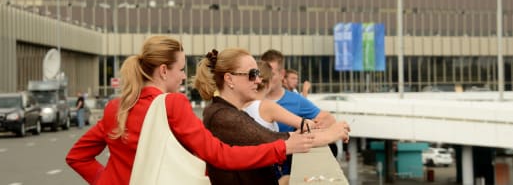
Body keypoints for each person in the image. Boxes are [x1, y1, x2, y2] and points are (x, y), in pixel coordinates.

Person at [66, 36, 313, 185]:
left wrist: (105, 181)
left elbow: (77, 157)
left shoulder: (116, 107)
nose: (184, 77)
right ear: (164, 71)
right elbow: (221, 156)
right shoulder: (171, 105)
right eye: (181, 69)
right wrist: (283, 147)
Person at [193, 48, 318, 185]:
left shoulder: (226, 112)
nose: (258, 80)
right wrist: (334, 133)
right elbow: (277, 140)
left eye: (258, 74)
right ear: (229, 79)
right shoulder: (223, 116)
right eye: (252, 74)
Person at [261, 49, 338, 178]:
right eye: (262, 73)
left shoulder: (296, 100)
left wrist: (316, 128)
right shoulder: (251, 100)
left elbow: (327, 118)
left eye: (271, 73)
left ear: (282, 74)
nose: (265, 78)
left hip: (285, 172)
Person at [245, 60, 349, 146]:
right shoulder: (266, 106)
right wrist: (334, 131)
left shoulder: (243, 105)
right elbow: (305, 125)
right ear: (268, 83)